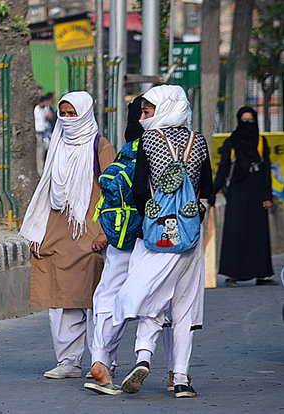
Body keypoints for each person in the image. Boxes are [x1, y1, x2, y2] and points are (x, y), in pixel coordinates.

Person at [113, 85, 212, 398]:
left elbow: (140, 189)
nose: (143, 118)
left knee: (152, 304)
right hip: (190, 235)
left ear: (163, 108)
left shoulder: (149, 140)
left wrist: (156, 211)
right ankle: (181, 378)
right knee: (183, 309)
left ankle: (143, 357)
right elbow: (209, 186)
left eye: (146, 111)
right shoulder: (198, 141)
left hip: (155, 235)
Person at [20, 91, 116, 380]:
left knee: (94, 301)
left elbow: (114, 192)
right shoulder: (57, 145)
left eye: (73, 113)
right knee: (62, 301)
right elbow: (46, 190)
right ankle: (68, 361)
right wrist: (38, 231)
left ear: (86, 114)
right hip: (59, 228)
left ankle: (102, 361)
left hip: (92, 230)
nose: (67, 119)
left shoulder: (101, 146)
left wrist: (106, 232)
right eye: (64, 113)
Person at [85, 96, 176, 395]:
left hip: (120, 235)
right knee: (156, 300)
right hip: (150, 235)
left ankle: (101, 360)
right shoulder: (162, 144)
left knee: (109, 296)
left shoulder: (126, 148)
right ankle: (171, 369)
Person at [209, 107, 277, 286]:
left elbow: (265, 170)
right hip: (237, 194)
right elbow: (223, 168)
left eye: (250, 120)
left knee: (259, 234)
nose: (247, 124)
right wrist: (212, 192)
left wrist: (268, 196)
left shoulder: (261, 142)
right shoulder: (231, 142)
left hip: (257, 193)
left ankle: (262, 275)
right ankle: (233, 274)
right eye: (244, 120)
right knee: (235, 233)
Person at [34, 95, 54, 175]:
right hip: (38, 133)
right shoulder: (36, 109)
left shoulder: (45, 109)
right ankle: (40, 173)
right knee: (39, 154)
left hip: (45, 134)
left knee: (47, 152)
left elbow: (50, 117)